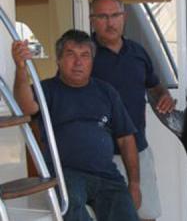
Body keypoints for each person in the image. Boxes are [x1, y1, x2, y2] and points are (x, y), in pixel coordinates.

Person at [12, 29, 140, 221]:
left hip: (107, 175)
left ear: (92, 61)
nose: (78, 62)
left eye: (85, 56)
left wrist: (135, 183)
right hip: (66, 174)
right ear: (59, 60)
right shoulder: (46, 89)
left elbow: (126, 139)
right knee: (72, 209)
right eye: (71, 54)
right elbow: (25, 106)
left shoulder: (106, 92)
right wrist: (21, 69)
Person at [89, 0, 175, 221]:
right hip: (101, 157)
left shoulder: (138, 52)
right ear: (92, 20)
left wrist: (164, 96)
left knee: (147, 215)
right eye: (103, 16)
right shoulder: (84, 56)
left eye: (115, 15)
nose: (110, 22)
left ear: (124, 16)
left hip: (139, 149)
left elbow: (154, 86)